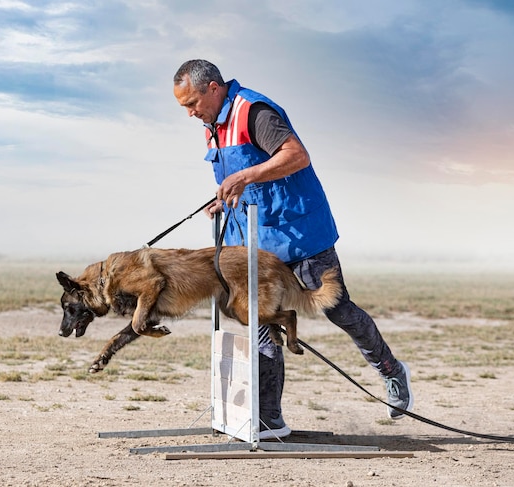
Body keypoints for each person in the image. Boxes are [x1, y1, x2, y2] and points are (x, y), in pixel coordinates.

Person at [173, 59, 413, 440]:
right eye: (184, 107)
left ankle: (391, 370)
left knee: (338, 310)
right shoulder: (212, 125)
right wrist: (226, 197)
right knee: (261, 325)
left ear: (213, 88)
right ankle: (269, 420)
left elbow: (296, 155)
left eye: (192, 103)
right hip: (252, 242)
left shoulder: (254, 111)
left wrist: (244, 176)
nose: (190, 113)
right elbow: (240, 177)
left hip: (299, 234)